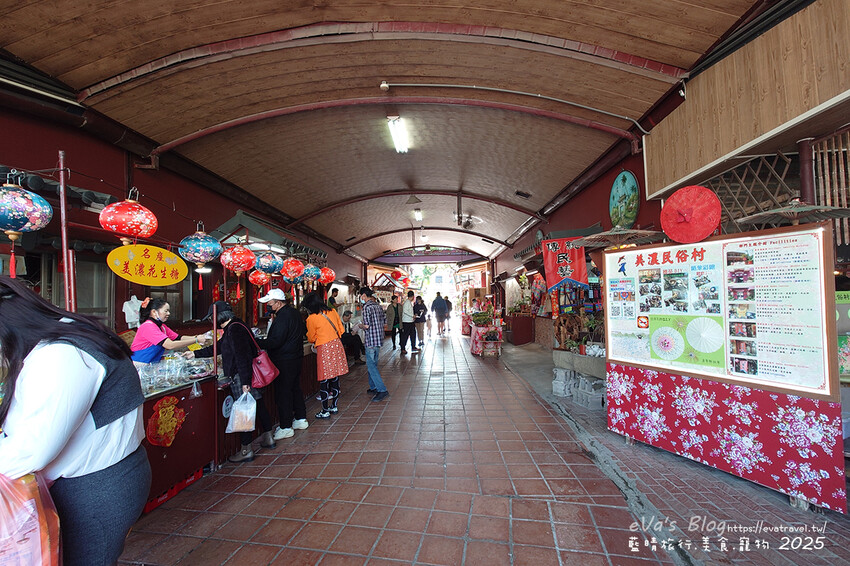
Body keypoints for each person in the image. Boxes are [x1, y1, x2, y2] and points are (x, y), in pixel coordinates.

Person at [0, 275, 151, 566]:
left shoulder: (62, 354)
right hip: (102, 478)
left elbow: (32, 449)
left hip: (94, 487)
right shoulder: (68, 336)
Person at [192, 302, 276, 462]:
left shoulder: (234, 329)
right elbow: (219, 347)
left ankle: (246, 450)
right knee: (258, 405)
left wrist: (245, 382)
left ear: (218, 316)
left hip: (241, 376)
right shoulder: (236, 325)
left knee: (244, 412)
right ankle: (269, 437)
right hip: (246, 374)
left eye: (212, 318)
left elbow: (242, 356)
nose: (212, 321)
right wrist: (195, 354)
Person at [257, 290, 309, 440]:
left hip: (284, 360)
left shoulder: (283, 317)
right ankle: (300, 418)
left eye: (270, 303)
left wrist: (256, 342)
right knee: (294, 388)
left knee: (283, 393)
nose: (268, 306)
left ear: (278, 303)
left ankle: (286, 426)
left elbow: (276, 341)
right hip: (295, 357)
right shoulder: (293, 313)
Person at [304, 292, 348, 418]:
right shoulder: (333, 312)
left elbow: (311, 337)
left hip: (324, 348)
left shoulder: (311, 318)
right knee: (334, 377)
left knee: (324, 380)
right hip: (336, 345)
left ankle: (324, 410)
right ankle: (334, 406)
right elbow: (341, 330)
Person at [130, 297, 205, 363]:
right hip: (139, 364)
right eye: (166, 311)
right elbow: (170, 345)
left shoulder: (162, 326)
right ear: (154, 312)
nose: (168, 313)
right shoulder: (148, 327)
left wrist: (199, 337)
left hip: (151, 363)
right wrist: (196, 340)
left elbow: (179, 338)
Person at [358, 286, 389, 402]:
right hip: (379, 339)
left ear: (364, 296)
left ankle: (382, 390)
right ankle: (373, 387)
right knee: (373, 364)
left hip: (370, 340)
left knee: (371, 366)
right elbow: (384, 322)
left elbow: (366, 325)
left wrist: (359, 326)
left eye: (361, 296)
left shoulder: (366, 307)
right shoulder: (378, 306)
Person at [399, 290, 420, 354]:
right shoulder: (407, 303)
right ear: (413, 296)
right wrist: (412, 315)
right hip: (406, 322)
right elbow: (405, 311)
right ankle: (403, 348)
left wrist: (413, 316)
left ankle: (413, 346)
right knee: (405, 335)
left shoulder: (409, 302)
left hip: (411, 321)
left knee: (413, 334)